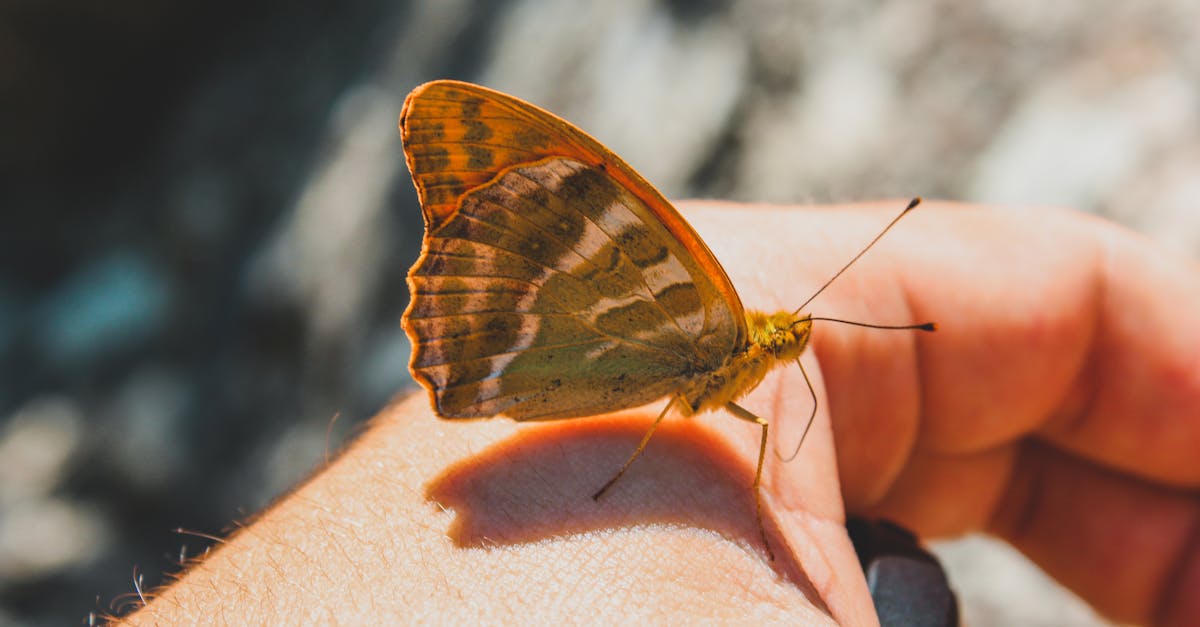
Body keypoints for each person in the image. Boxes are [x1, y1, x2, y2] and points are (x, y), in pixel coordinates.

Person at [124, 202, 1199, 626]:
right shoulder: (711, 329)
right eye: (788, 338)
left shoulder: (740, 364)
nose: (792, 348)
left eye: (789, 340)